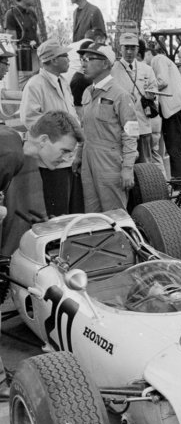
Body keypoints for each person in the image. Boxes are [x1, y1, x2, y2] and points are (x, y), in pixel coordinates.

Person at [0, 111, 82, 400]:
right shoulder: (10, 152)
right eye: (64, 151)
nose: (67, 158)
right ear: (44, 140)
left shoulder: (14, 148)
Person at [20, 39, 81, 216]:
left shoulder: (63, 82)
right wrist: (58, 140)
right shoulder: (35, 84)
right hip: (53, 161)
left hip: (69, 157)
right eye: (65, 55)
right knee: (58, 213)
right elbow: (30, 119)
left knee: (72, 211)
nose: (68, 59)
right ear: (53, 60)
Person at [77, 43, 138, 212]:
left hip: (110, 162)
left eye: (89, 59)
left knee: (114, 214)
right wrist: (78, 155)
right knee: (92, 214)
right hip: (88, 159)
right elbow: (84, 127)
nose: (83, 64)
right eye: (82, 59)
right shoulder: (87, 92)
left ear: (105, 64)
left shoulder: (121, 95)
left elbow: (131, 134)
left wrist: (127, 168)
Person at [143, 47, 181, 184]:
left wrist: (145, 88)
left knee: (174, 148)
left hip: (173, 108)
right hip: (175, 107)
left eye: (144, 57)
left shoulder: (158, 59)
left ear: (149, 53)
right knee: (173, 147)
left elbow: (162, 81)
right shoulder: (162, 60)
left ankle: (179, 182)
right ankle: (178, 180)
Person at [111, 33, 159, 164]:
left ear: (138, 49)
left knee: (145, 166)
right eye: (126, 48)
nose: (129, 52)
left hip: (142, 125)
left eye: (132, 48)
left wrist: (151, 95)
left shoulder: (146, 69)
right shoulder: (112, 70)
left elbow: (154, 90)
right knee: (125, 165)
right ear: (120, 49)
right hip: (122, 129)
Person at [4, 0, 41, 85]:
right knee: (24, 86)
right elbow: (11, 42)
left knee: (36, 85)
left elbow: (36, 34)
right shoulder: (11, 14)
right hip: (22, 59)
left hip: (35, 56)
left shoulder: (32, 13)